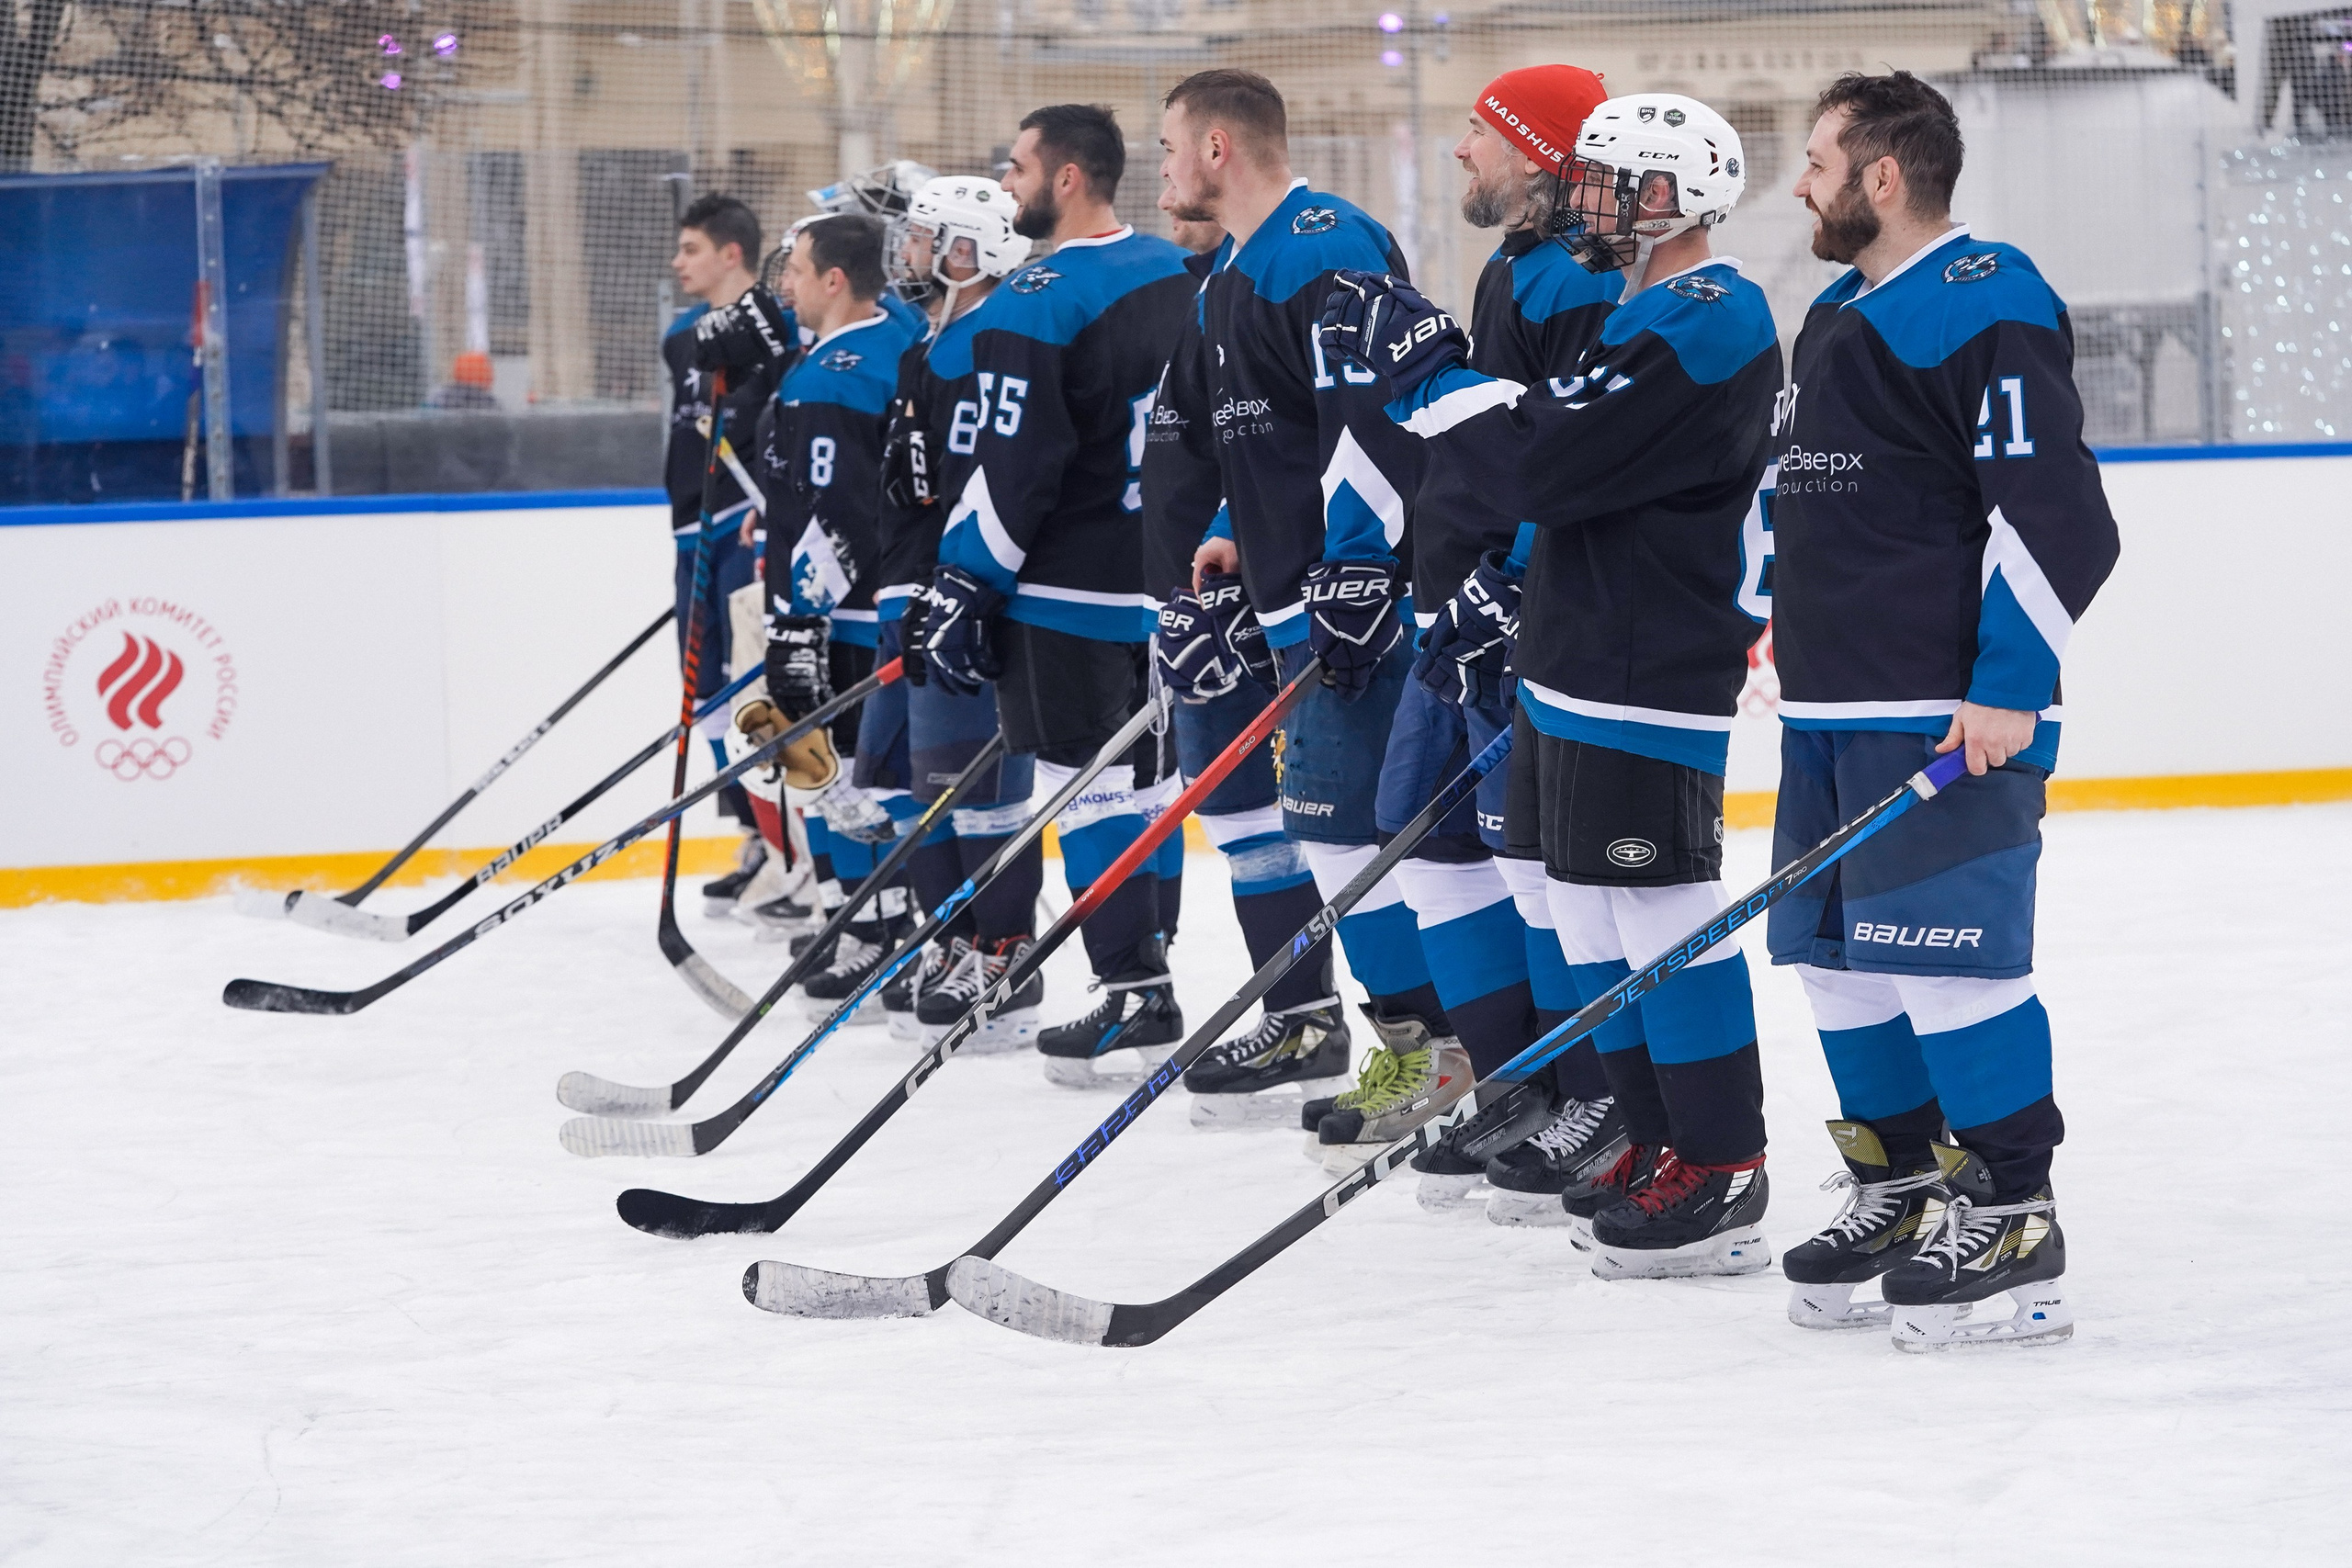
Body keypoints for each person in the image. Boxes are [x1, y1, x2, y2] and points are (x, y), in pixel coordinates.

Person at [1328, 93, 1783, 1278]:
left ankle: (1722, 1163)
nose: (1579, 196)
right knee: (1583, 907)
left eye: (1605, 179)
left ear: (1667, 198)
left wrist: (1425, 364)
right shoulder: (1642, 305)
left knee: (1660, 911)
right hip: (1575, 658)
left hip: (1647, 665)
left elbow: (1539, 457)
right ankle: (1647, 1136)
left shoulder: (1710, 313)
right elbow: (1539, 451)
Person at [1767, 71, 2117, 1349]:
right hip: (1828, 709)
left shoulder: (1988, 297)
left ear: (1882, 176)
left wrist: (2011, 681)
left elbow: (2059, 514)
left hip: (1943, 712)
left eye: (1815, 160)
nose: (1798, 182)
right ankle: (1905, 1181)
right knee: (1834, 961)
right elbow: (1818, 493)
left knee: (1950, 966)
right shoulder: (1837, 313)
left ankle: (2017, 1210)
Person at [1154, 69, 1467, 1173]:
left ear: (1220, 146)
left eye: (1170, 147)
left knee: (1358, 834)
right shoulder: (1228, 275)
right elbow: (1273, 432)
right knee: (1333, 834)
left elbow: (1371, 421)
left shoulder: (1322, 241)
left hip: (1357, 594)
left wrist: (1357, 568)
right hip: (1293, 592)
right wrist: (1237, 524)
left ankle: (1440, 1054)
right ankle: (1425, 1047)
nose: (1162, 168)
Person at [1365, 65, 1637, 1218]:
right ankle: (1520, 1080)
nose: (1459, 151)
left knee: (1534, 864)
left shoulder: (1577, 280)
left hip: (1509, 615)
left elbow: (1571, 449)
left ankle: (1592, 1094)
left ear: (1536, 149)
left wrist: (1509, 578)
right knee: (1423, 836)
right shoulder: (1515, 265)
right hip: (1452, 608)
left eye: (1479, 131)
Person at [921, 105, 1196, 1085]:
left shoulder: (1034, 296)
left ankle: (1133, 990)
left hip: (1060, 588)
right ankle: (1148, 957)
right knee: (1149, 783)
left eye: (1018, 165)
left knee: (1087, 793)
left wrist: (963, 583)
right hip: (1162, 585)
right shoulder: (1176, 269)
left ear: (1068, 178)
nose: (1007, 182)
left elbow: (1011, 469)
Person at [1144, 202, 1352, 1130]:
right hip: (1214, 589)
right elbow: (1232, 453)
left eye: (1173, 156)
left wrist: (1257, 550)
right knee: (1237, 819)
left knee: (1336, 824)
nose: (1165, 191)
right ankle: (1299, 1018)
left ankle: (1406, 1040)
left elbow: (1320, 435)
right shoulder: (1212, 288)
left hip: (1295, 594)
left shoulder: (1292, 262)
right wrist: (1217, 549)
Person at [860, 175, 1050, 1050]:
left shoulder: (993, 340)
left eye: (925, 234)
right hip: (915, 580)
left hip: (967, 585)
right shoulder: (928, 342)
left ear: (967, 250)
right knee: (920, 783)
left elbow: (991, 476)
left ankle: (1004, 951)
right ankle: (954, 941)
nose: (908, 248)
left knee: (972, 790)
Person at [731, 213, 927, 1018]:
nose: (785, 286)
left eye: (797, 272)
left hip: (841, 613)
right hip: (884, 600)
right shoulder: (900, 338)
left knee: (835, 772)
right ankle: (876, 920)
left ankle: (877, 928)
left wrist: (796, 621)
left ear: (835, 280)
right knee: (861, 774)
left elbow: (844, 515)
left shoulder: (833, 375)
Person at [666, 194, 791, 907]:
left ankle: (786, 845)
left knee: (757, 693)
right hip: (690, 530)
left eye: (692, 249)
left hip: (744, 525)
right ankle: (754, 831)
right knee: (708, 696)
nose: (679, 262)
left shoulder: (778, 337)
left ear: (731, 253)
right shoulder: (682, 338)